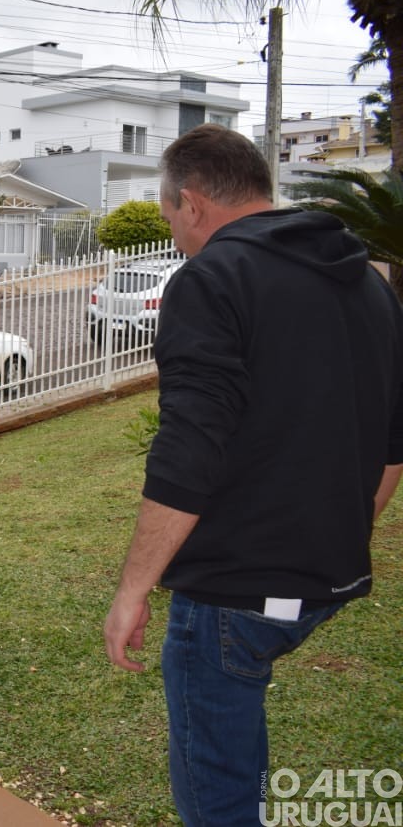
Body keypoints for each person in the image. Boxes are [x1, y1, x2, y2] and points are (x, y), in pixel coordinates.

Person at [102, 123, 403, 826]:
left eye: (170, 212)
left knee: (219, 798)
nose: (174, 230)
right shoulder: (365, 279)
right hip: (329, 577)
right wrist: (342, 533)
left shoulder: (209, 279)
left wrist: (133, 590)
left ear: (195, 202)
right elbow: (393, 444)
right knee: (242, 763)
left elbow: (188, 448)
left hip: (234, 594)